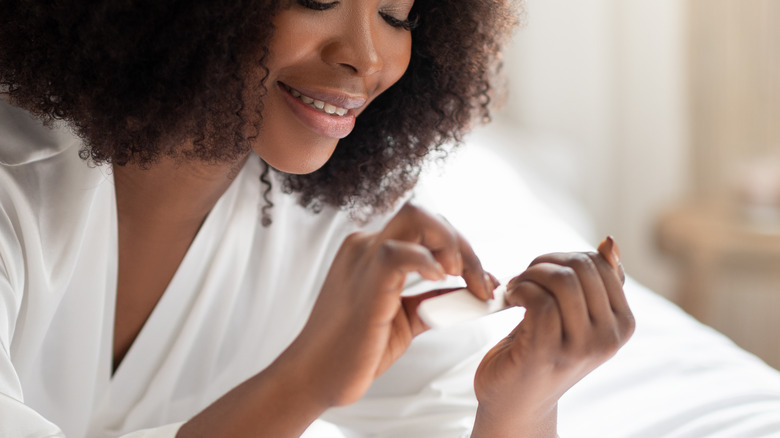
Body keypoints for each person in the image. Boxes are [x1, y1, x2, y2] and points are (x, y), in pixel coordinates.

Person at [0, 0, 635, 436]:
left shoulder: (347, 227)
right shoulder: (14, 191)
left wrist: (521, 403)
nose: (366, 55)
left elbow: (455, 415)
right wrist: (304, 382)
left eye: (394, 14)